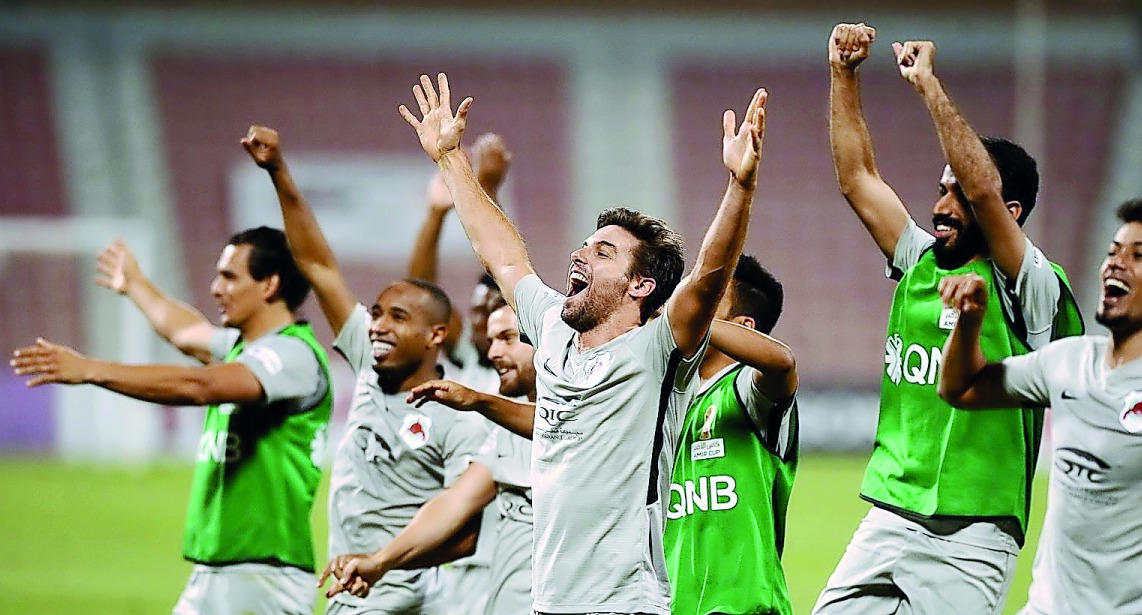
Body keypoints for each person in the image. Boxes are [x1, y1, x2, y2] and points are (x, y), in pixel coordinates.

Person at [395, 73, 765, 614]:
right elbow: (502, 256)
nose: (581, 254)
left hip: (624, 603)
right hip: (549, 601)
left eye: (604, 253)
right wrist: (451, 159)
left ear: (640, 287)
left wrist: (740, 188)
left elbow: (709, 276)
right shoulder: (551, 328)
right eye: (586, 245)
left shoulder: (657, 350)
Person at [813, 24, 1083, 615]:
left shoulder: (1032, 291)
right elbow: (858, 179)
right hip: (889, 512)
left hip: (973, 533)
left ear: (1009, 212)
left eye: (957, 194)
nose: (940, 207)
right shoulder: (918, 261)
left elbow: (985, 194)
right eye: (941, 190)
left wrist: (929, 88)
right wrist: (844, 74)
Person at [11, 228, 333, 615]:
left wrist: (91, 369)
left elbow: (200, 386)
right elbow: (184, 330)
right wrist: (136, 285)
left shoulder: (292, 355)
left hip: (264, 577)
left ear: (269, 285)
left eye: (230, 277)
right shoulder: (243, 350)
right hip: (220, 572)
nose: (216, 288)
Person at [240, 125, 486, 614]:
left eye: (398, 318)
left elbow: (467, 539)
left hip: (400, 600)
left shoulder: (460, 415)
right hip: (353, 594)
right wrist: (279, 172)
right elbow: (319, 265)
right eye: (375, 313)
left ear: (436, 336)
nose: (377, 326)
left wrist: (381, 563)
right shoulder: (369, 364)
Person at [937, 198, 1142, 615]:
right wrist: (970, 319)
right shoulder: (1068, 362)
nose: (1115, 263)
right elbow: (961, 389)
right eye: (1113, 251)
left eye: (1139, 255)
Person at [322, 302, 537, 615]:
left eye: (507, 338)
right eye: (492, 341)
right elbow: (455, 503)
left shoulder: (591, 422)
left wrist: (477, 401)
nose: (492, 353)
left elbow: (558, 422)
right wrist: (379, 562)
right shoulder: (508, 437)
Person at [665, 254, 799, 615]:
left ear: (743, 325)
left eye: (709, 298)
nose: (691, 300)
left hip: (744, 608)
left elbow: (782, 363)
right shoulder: (669, 399)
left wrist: (688, 319)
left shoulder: (748, 392)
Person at [408, 132, 512, 395]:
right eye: (476, 312)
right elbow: (422, 295)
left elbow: (509, 264)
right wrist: (436, 214)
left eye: (491, 312)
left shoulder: (534, 362)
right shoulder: (469, 355)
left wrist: (486, 191)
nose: (481, 322)